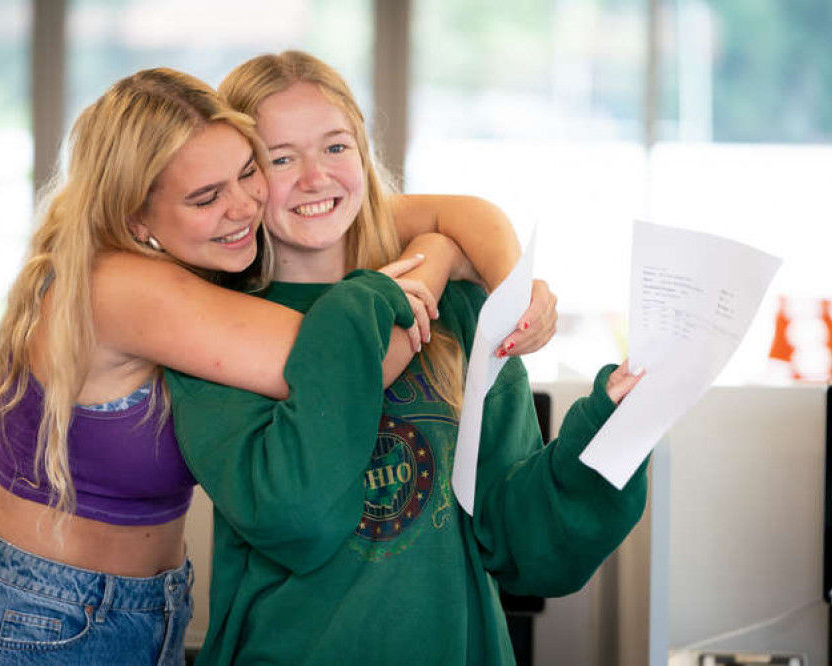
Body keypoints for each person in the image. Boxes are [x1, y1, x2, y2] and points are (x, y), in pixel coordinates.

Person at [0, 67, 556, 665]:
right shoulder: (123, 288)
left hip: (137, 609)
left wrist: (505, 282)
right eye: (207, 195)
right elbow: (343, 360)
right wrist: (438, 259)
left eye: (249, 172)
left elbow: (436, 211)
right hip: (43, 621)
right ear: (138, 218)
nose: (244, 206)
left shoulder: (185, 253)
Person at [166, 50, 649, 666]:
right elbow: (293, 518)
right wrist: (411, 269)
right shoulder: (210, 328)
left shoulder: (460, 308)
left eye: (336, 147)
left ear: (365, 153)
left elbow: (519, 539)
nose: (316, 178)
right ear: (245, 177)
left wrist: (606, 429)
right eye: (280, 158)